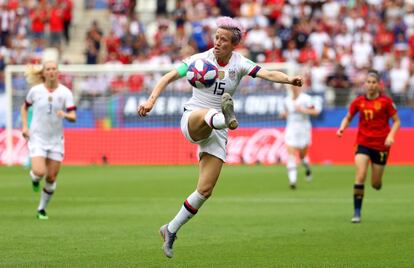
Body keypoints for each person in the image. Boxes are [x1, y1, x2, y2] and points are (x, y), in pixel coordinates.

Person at [138, 16, 303, 258]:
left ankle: (170, 229)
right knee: (210, 114)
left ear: (233, 44)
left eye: (223, 40)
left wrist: (289, 79)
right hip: (194, 117)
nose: (217, 43)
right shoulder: (198, 60)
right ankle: (224, 116)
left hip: (219, 130)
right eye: (216, 37)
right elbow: (168, 77)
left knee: (205, 190)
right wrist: (152, 99)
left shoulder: (240, 63)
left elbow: (267, 73)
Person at [336, 69, 400, 224]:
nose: (371, 85)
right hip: (363, 142)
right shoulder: (358, 102)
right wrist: (342, 128)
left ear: (379, 85)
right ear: (365, 84)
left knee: (375, 184)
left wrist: (391, 135)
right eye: (368, 82)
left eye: (374, 82)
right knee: (360, 175)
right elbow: (348, 117)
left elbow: (397, 121)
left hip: (381, 145)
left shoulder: (385, 102)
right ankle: (357, 212)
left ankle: (377, 182)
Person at [20, 60, 77, 220]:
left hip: (56, 141)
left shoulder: (66, 93)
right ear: (44, 73)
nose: (51, 71)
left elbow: (73, 116)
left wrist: (65, 115)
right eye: (48, 69)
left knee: (51, 178)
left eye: (54, 69)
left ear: (58, 72)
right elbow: (24, 107)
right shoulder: (35, 91)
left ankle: (41, 210)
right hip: (37, 137)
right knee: (39, 172)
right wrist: (25, 127)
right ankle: (35, 179)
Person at [279, 85, 322, 189]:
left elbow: (316, 112)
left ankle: (307, 167)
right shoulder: (287, 100)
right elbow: (283, 113)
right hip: (291, 129)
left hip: (304, 129)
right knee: (291, 154)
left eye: (296, 86)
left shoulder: (306, 99)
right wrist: (283, 115)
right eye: (292, 86)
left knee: (302, 155)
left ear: (299, 87)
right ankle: (292, 181)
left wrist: (303, 110)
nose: (294, 88)